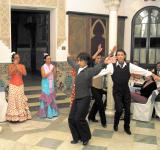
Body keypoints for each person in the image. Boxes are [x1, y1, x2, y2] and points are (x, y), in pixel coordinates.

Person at [95, 49, 159, 135]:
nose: (120, 56)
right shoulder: (111, 66)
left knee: (128, 110)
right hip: (117, 91)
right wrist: (89, 76)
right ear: (116, 57)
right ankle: (116, 123)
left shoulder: (130, 66)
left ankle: (127, 127)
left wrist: (152, 74)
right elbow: (100, 73)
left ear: (124, 56)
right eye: (118, 55)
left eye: (122, 54)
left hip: (126, 90)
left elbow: (141, 70)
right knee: (119, 109)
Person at [67, 52, 108, 145]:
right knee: (71, 118)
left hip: (85, 97)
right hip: (76, 98)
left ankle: (86, 137)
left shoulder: (89, 71)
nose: (78, 62)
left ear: (86, 61)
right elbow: (71, 62)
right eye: (78, 60)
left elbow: (98, 68)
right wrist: (68, 56)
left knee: (79, 118)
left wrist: (104, 62)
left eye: (80, 60)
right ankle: (76, 137)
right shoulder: (77, 67)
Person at [6, 52, 31, 122]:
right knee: (13, 100)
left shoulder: (22, 65)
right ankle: (13, 117)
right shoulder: (10, 65)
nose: (17, 59)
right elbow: (10, 74)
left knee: (20, 100)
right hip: (13, 85)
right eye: (16, 58)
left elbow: (25, 73)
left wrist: (17, 67)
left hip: (20, 84)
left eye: (18, 57)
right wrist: (14, 66)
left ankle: (21, 116)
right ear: (13, 59)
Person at [88, 44, 107, 127]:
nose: (99, 59)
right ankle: (104, 122)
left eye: (100, 58)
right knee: (100, 104)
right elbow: (91, 59)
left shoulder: (101, 66)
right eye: (97, 58)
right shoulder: (92, 65)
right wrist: (98, 51)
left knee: (97, 102)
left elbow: (107, 62)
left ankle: (91, 116)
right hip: (93, 87)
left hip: (100, 87)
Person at [37, 54, 58, 118]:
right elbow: (43, 76)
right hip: (45, 83)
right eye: (48, 59)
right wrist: (50, 71)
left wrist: (54, 71)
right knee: (46, 97)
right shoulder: (43, 67)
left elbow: (55, 76)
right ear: (44, 60)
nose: (49, 60)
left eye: (50, 59)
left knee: (51, 97)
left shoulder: (52, 66)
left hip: (51, 83)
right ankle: (45, 113)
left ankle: (52, 113)